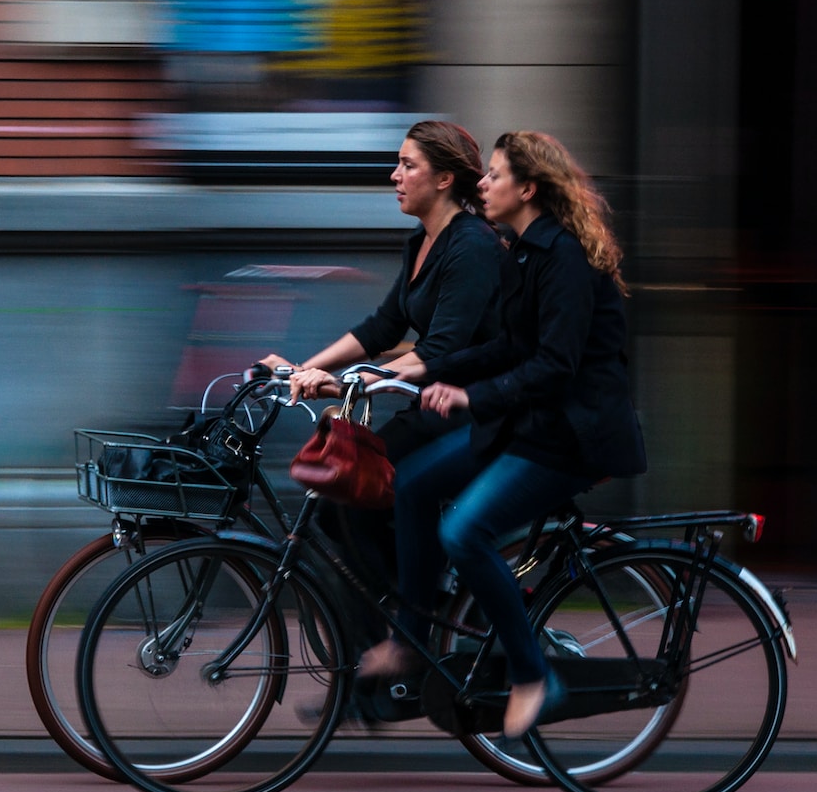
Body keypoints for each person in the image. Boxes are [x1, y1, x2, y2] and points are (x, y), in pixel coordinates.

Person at [366, 130, 647, 740]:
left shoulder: (564, 257)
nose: (483, 185)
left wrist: (471, 395)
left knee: (464, 531)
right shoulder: (521, 250)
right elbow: (508, 345)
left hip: (571, 437)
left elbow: (554, 365)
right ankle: (412, 639)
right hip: (528, 424)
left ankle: (533, 675)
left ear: (528, 188)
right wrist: (430, 369)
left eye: (494, 176)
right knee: (410, 484)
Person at [259, 119, 505, 579]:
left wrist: (358, 380)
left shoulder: (472, 247)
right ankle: (415, 610)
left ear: (444, 178)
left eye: (408, 165)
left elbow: (440, 349)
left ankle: (409, 626)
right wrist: (299, 370)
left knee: (354, 500)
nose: (394, 175)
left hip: (467, 415)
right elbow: (383, 326)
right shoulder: (422, 242)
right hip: (427, 410)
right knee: (346, 506)